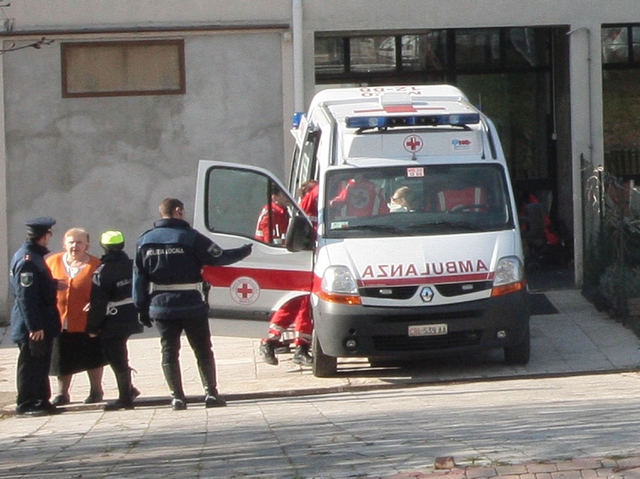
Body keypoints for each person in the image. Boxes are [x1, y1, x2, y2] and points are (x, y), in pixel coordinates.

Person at [133, 198, 252, 410]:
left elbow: (139, 278)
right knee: (203, 349)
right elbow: (218, 257)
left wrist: (141, 307)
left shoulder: (145, 241)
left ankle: (177, 397)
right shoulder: (190, 237)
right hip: (191, 304)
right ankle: (211, 394)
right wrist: (244, 251)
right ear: (178, 211)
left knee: (169, 351)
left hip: (161, 306)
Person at [258, 180, 318, 367]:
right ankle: (280, 343)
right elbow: (275, 241)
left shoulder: (280, 212)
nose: (287, 198)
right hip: (288, 264)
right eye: (283, 195)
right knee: (299, 304)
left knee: (297, 304)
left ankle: (282, 343)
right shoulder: (274, 214)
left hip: (293, 263)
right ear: (274, 196)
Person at [9, 217, 63, 417]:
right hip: (32, 322)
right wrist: (34, 326)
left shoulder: (35, 256)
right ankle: (26, 402)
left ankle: (41, 399)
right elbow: (26, 297)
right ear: (45, 235)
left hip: (43, 318)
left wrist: (54, 284)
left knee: (41, 361)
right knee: (30, 363)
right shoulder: (27, 259)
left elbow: (39, 287)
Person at [46, 227, 106, 406]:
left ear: (87, 244)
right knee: (61, 357)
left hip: (87, 320)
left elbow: (103, 291)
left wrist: (96, 306)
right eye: (71, 242)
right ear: (64, 244)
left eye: (79, 242)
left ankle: (96, 390)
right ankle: (62, 393)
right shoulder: (52, 262)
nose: (75, 246)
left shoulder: (96, 264)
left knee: (92, 355)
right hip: (59, 320)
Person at [86, 231, 143, 411]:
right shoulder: (134, 265)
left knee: (115, 357)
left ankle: (125, 397)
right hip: (132, 315)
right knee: (120, 354)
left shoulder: (102, 272)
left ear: (104, 247)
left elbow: (98, 303)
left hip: (114, 318)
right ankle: (128, 389)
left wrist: (92, 327)